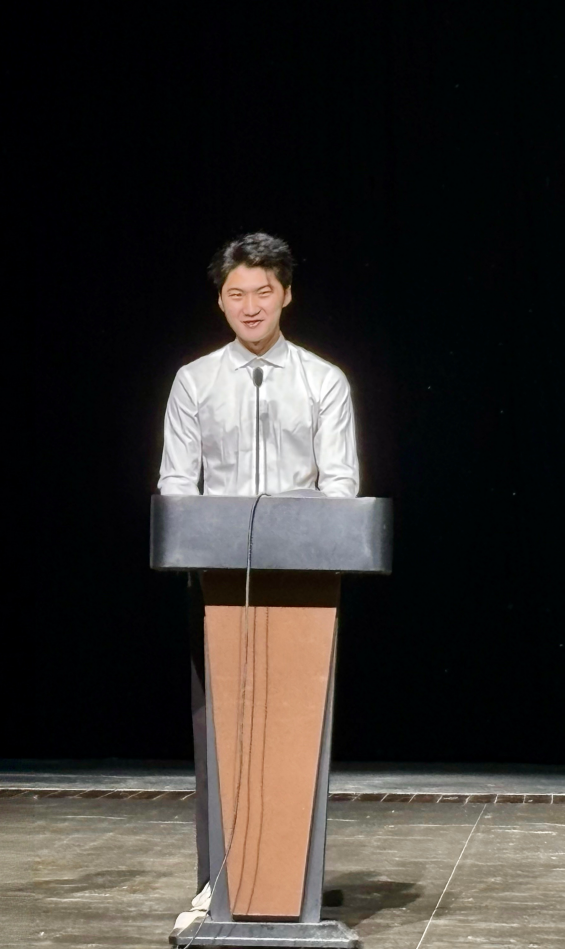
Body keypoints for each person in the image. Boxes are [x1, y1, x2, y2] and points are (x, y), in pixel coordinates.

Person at [158, 233, 359, 935]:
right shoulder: (195, 380)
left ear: (287, 295)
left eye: (263, 292)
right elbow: (176, 484)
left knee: (292, 728)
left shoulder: (323, 380)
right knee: (219, 732)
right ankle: (218, 884)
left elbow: (341, 485)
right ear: (220, 300)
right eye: (236, 293)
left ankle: (289, 883)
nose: (250, 306)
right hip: (218, 582)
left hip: (303, 583)